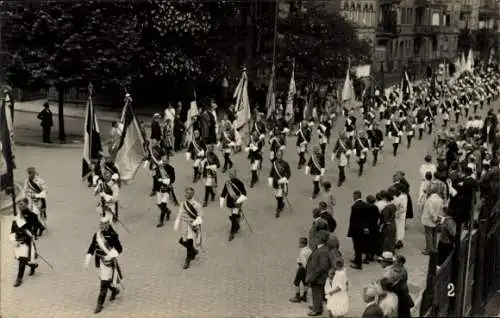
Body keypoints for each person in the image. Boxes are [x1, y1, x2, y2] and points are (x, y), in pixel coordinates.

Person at [84, 214, 124, 314]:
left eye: (103, 224)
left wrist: (111, 255)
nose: (101, 226)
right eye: (100, 224)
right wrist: (88, 257)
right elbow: (92, 246)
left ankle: (99, 304)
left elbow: (119, 249)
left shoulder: (113, 235)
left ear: (107, 225)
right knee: (103, 279)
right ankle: (114, 290)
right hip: (98, 261)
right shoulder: (97, 235)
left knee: (103, 283)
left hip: (107, 261)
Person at [9, 199, 42, 287]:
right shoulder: (17, 216)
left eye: (22, 204)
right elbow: (13, 229)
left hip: (27, 241)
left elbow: (37, 226)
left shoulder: (32, 215)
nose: (20, 206)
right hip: (18, 241)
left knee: (22, 260)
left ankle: (19, 279)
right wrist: (13, 238)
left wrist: (33, 234)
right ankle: (33, 266)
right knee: (21, 258)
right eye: (19, 204)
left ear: (27, 204)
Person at [174, 187, 203, 269]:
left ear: (193, 194)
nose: (188, 195)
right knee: (182, 241)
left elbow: (200, 217)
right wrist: (177, 222)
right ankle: (193, 251)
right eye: (186, 193)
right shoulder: (183, 204)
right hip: (184, 225)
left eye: (190, 193)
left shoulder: (197, 205)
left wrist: (195, 222)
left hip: (192, 225)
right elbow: (180, 214)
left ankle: (188, 259)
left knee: (189, 241)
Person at [305, 230, 331, 316]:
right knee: (316, 292)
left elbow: (323, 266)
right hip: (317, 275)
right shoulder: (320, 247)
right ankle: (317, 306)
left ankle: (317, 310)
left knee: (317, 292)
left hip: (318, 276)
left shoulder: (323, 251)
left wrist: (313, 275)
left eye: (316, 238)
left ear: (320, 239)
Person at [220, 169, 247, 241]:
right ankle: (237, 226)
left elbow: (244, 194)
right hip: (229, 203)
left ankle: (232, 233)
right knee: (231, 217)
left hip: (236, 202)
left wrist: (238, 201)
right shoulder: (227, 183)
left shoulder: (240, 183)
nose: (231, 175)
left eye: (232, 174)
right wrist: (222, 200)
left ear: (235, 174)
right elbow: (224, 192)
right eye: (230, 174)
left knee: (234, 217)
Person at [348, 190, 370, 270]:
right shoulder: (366, 205)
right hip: (363, 229)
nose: (353, 197)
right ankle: (357, 259)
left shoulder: (355, 206)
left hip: (356, 230)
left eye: (353, 196)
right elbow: (367, 219)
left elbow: (352, 221)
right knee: (359, 246)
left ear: (356, 196)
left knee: (357, 247)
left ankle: (358, 263)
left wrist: (350, 231)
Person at [23, 167, 48, 236]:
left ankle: (38, 228)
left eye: (31, 173)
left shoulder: (40, 181)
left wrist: (36, 195)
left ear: (34, 173)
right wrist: (27, 197)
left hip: (39, 201)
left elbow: (45, 191)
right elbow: (25, 190)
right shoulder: (27, 181)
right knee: (32, 215)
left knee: (37, 214)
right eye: (29, 173)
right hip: (30, 201)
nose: (30, 174)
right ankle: (38, 227)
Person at [420, 183, 443, 255]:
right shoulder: (440, 199)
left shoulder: (430, 200)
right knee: (434, 234)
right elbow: (440, 209)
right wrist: (438, 218)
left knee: (428, 235)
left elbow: (430, 211)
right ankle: (433, 248)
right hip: (436, 218)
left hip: (429, 219)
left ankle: (429, 249)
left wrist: (434, 218)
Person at [155, 155, 177, 228]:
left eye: (165, 160)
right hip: (159, 189)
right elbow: (156, 176)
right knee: (159, 204)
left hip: (167, 189)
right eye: (163, 160)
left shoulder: (171, 168)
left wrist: (165, 180)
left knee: (163, 204)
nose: (163, 162)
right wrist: (158, 179)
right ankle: (168, 211)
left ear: (168, 160)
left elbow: (173, 179)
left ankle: (161, 221)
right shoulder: (159, 167)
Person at [268, 149, 291, 218]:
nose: (279, 156)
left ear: (282, 155)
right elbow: (271, 173)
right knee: (277, 197)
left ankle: (278, 210)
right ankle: (281, 204)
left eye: (280, 155)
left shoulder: (285, 164)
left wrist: (284, 179)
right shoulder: (274, 163)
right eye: (277, 155)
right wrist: (270, 180)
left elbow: (289, 174)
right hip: (275, 183)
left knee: (279, 196)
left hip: (282, 183)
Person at [289, 237, 312, 303]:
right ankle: (304, 296)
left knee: (296, 282)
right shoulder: (309, 250)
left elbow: (304, 262)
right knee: (305, 282)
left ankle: (297, 296)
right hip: (308, 269)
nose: (298, 244)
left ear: (302, 243)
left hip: (302, 268)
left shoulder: (302, 252)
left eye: (299, 243)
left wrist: (300, 265)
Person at [364, 195, 380, 263]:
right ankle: (372, 256)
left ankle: (367, 257)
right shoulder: (375, 208)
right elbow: (378, 217)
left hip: (367, 227)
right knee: (373, 242)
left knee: (367, 242)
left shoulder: (365, 208)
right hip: (374, 227)